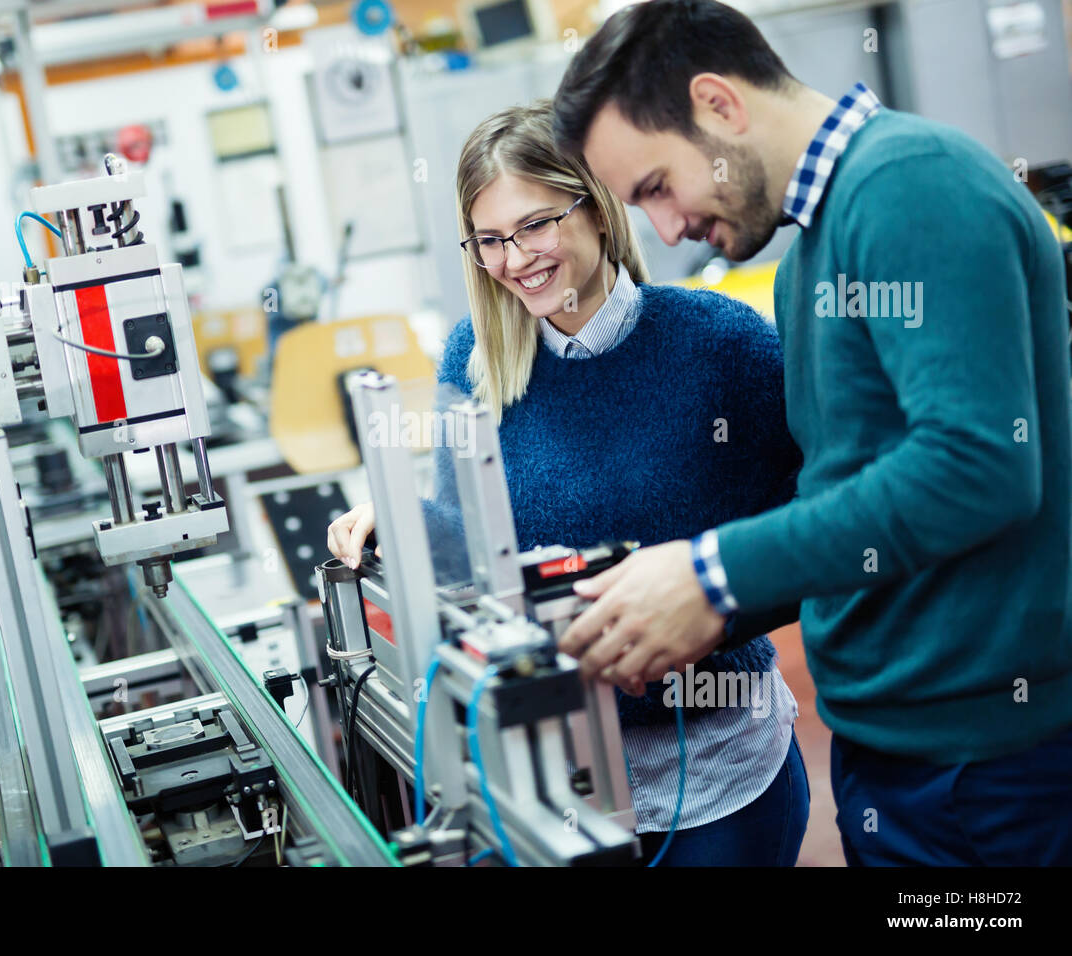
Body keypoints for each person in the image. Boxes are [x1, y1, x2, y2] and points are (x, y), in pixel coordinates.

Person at [551, 0, 1072, 865]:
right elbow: (853, 513)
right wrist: (684, 617)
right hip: (901, 756)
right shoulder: (805, 263)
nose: (668, 229)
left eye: (655, 187)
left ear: (718, 105)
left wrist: (711, 576)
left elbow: (975, 467)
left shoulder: (911, 185)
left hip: (992, 771)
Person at [327, 101, 809, 865]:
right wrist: (400, 521)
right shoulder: (473, 360)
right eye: (490, 240)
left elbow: (818, 527)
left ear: (596, 204)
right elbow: (478, 550)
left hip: (719, 775)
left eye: (534, 224)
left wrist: (710, 614)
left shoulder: (720, 342)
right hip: (555, 783)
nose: (516, 259)